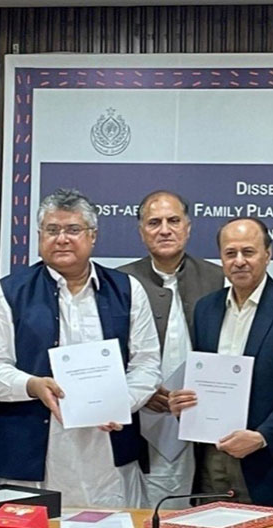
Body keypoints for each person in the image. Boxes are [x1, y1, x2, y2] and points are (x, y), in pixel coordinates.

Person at [0, 188, 162, 508]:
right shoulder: (8, 292)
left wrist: (120, 404)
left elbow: (147, 364)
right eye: (52, 230)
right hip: (32, 453)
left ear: (93, 236)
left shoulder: (127, 290)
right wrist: (32, 385)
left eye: (73, 230)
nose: (62, 239)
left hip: (108, 449)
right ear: (38, 236)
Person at [168, 217, 273, 511]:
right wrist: (184, 404)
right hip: (211, 457)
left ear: (268, 254)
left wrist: (263, 437)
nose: (239, 261)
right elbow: (201, 377)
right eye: (230, 253)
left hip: (269, 463)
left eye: (248, 252)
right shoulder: (206, 309)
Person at [117, 191, 224, 508]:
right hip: (137, 421)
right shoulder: (120, 282)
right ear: (141, 231)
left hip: (203, 419)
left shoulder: (218, 278)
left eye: (173, 221)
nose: (165, 229)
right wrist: (139, 391)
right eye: (154, 222)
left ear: (188, 227)